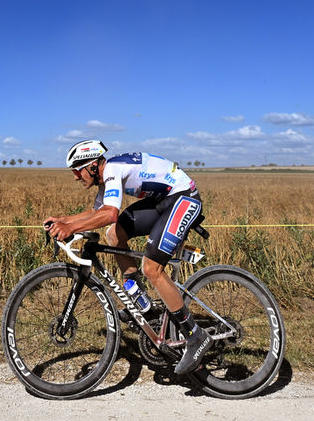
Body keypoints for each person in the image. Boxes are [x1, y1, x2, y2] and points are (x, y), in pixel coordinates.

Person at [43, 139, 213, 375]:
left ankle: (196, 336)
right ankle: (140, 300)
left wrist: (70, 228)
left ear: (92, 166)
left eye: (76, 170)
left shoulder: (112, 170)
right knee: (115, 234)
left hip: (183, 198)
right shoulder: (106, 177)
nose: (75, 177)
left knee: (152, 268)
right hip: (161, 201)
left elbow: (111, 213)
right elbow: (96, 213)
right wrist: (64, 221)